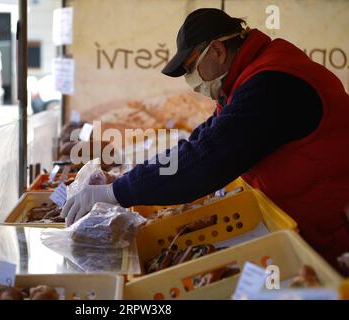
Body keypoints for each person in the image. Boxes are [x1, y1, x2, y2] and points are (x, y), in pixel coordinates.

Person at [61, 8, 349, 274]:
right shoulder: (250, 77)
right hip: (299, 221)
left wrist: (117, 192)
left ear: (219, 51)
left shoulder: (270, 84)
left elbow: (207, 160)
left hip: (329, 229)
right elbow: (203, 140)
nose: (190, 79)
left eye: (190, 68)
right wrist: (126, 180)